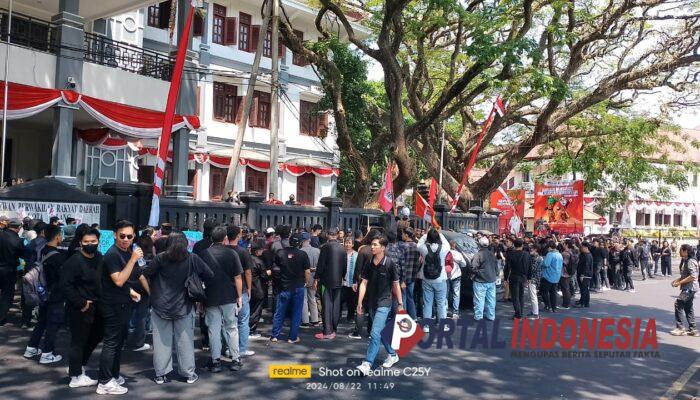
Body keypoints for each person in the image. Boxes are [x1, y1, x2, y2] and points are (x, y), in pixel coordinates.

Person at [143, 232, 214, 385]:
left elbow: (146, 273)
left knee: (161, 342)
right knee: (185, 342)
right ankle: (188, 373)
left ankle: (160, 374)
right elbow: (209, 274)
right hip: (184, 306)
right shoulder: (192, 258)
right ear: (185, 243)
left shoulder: (160, 258)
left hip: (160, 305)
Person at [97, 220, 147, 395]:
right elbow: (118, 279)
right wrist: (133, 260)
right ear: (114, 235)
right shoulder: (112, 254)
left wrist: (131, 290)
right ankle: (104, 381)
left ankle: (113, 375)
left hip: (124, 303)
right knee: (111, 343)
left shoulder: (125, 252)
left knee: (118, 343)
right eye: (122, 236)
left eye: (129, 236)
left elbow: (124, 281)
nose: (126, 239)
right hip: (112, 305)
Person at [60, 227, 104, 389]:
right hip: (80, 308)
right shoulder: (74, 261)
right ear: (80, 243)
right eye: (86, 241)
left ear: (98, 241)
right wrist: (81, 302)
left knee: (95, 336)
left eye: (93, 241)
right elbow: (65, 285)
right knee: (78, 342)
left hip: (97, 307)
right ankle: (76, 376)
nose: (90, 244)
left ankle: (76, 366)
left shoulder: (99, 257)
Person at [355, 235, 403, 376]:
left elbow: (396, 285)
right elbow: (363, 283)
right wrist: (359, 302)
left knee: (374, 333)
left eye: (375, 245)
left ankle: (367, 363)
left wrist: (400, 303)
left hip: (385, 302)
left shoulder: (389, 264)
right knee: (380, 332)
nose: (372, 247)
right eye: (372, 244)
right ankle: (393, 355)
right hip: (372, 302)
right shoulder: (369, 263)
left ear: (383, 247)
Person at [199, 226, 244, 373]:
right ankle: (235, 359)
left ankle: (215, 360)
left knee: (213, 329)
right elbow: (238, 277)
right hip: (229, 296)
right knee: (231, 327)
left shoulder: (203, 254)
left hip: (210, 296)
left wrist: (200, 301)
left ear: (211, 238)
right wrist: (239, 296)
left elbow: (199, 279)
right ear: (225, 238)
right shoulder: (232, 254)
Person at [24, 224, 67, 364]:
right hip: (55, 294)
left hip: (42, 292)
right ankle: (47, 353)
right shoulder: (58, 256)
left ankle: (31, 348)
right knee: (53, 324)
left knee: (42, 321)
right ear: (58, 236)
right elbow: (62, 277)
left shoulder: (42, 250)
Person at [270, 233, 310, 343]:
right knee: (296, 312)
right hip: (298, 285)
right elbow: (307, 271)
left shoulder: (280, 253)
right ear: (300, 243)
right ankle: (292, 337)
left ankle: (274, 335)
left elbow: (275, 268)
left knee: (279, 311)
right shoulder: (303, 254)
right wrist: (306, 282)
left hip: (284, 285)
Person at [226, 225, 256, 355]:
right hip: (242, 289)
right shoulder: (243, 251)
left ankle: (228, 348)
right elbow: (248, 272)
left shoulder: (223, 250)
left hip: (226, 289)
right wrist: (249, 288)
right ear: (238, 236)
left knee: (227, 321)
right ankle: (242, 348)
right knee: (243, 321)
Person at [314, 227, 347, 340]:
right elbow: (344, 265)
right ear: (337, 235)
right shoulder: (342, 248)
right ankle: (334, 328)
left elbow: (321, 264)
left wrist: (317, 277)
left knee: (327, 305)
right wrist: (342, 276)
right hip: (338, 280)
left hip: (326, 280)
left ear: (328, 235)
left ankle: (328, 331)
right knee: (336, 305)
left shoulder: (325, 247)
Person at [127, 229, 154, 352]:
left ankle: (124, 340)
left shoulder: (130, 252)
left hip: (129, 287)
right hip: (141, 289)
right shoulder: (143, 258)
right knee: (141, 316)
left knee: (129, 315)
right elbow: (142, 277)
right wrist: (149, 292)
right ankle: (138, 342)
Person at [417, 228, 450, 333]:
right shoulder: (444, 248)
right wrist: (440, 233)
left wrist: (425, 234)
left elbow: (419, 244)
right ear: (438, 238)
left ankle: (426, 326)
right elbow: (446, 243)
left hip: (427, 279)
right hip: (441, 279)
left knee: (427, 303)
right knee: (441, 303)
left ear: (428, 238)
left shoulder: (424, 248)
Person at [670, 245, 698, 336]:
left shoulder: (690, 261)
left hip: (689, 288)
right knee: (688, 307)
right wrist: (677, 280)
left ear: (685, 251)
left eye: (680, 250)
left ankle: (680, 328)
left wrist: (679, 283)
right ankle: (692, 329)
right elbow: (686, 275)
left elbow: (693, 276)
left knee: (678, 303)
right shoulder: (688, 260)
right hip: (690, 288)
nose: (679, 252)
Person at [0, 218, 23, 325]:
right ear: (18, 228)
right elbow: (22, 254)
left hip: (6, 268)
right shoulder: (17, 240)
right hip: (9, 270)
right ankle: (1, 317)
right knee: (7, 294)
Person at [470, 237, 498, 321]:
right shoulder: (492, 254)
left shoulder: (478, 255)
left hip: (480, 280)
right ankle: (491, 316)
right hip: (491, 280)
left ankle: (478, 316)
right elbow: (496, 268)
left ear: (479, 245)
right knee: (491, 299)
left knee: (479, 299)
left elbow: (473, 268)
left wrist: (478, 273)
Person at [504, 238, 531, 319]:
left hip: (514, 276)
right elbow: (530, 267)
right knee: (521, 296)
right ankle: (520, 313)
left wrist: (505, 278)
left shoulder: (510, 254)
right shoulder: (527, 254)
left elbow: (507, 268)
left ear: (514, 245)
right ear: (522, 245)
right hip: (523, 277)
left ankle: (518, 314)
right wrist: (529, 277)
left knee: (515, 297)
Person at [300, 232, 320, 328]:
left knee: (303, 299)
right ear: (309, 240)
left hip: (303, 277)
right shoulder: (317, 251)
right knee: (312, 298)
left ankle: (305, 321)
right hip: (314, 277)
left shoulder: (300, 251)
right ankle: (315, 320)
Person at [248, 238, 268, 336]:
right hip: (257, 288)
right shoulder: (259, 262)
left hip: (247, 288)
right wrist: (268, 273)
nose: (262, 251)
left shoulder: (246, 258)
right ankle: (252, 330)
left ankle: (246, 328)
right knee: (256, 310)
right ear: (257, 251)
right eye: (261, 250)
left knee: (248, 309)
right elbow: (264, 276)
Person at [399, 228, 420, 320]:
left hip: (404, 276)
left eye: (403, 234)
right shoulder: (416, 246)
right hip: (413, 276)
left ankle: (405, 318)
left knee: (403, 298)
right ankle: (414, 317)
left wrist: (402, 279)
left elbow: (402, 263)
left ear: (406, 235)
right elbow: (419, 262)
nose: (402, 235)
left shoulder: (403, 246)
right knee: (410, 297)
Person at [541, 241, 563, 312]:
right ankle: (554, 307)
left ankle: (548, 305)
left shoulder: (550, 254)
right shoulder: (559, 254)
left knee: (544, 292)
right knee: (553, 293)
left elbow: (546, 264)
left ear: (550, 247)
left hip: (548, 275)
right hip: (556, 276)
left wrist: (542, 263)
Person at [341, 236, 358, 324]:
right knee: (340, 299)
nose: (347, 244)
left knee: (351, 301)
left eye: (349, 243)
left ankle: (350, 317)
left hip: (352, 281)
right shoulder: (341, 253)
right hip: (342, 280)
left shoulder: (356, 254)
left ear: (353, 244)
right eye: (346, 242)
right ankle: (338, 316)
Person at [447, 240, 466, 319]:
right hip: (456, 275)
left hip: (447, 275)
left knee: (445, 294)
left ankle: (445, 310)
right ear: (454, 245)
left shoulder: (445, 253)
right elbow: (464, 264)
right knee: (456, 294)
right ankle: (455, 312)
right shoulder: (458, 254)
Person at [526, 244, 543, 320]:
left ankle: (536, 314)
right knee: (532, 296)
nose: (530, 250)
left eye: (531, 249)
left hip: (534, 279)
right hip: (533, 278)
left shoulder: (538, 258)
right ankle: (534, 311)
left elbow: (533, 269)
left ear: (536, 249)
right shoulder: (535, 258)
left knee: (533, 296)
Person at [576, 243, 593, 308]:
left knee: (584, 289)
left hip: (585, 275)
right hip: (583, 274)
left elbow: (586, 266)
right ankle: (584, 302)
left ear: (586, 247)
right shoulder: (584, 254)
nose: (581, 248)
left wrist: (582, 275)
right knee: (584, 289)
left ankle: (583, 303)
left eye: (582, 247)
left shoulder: (588, 255)